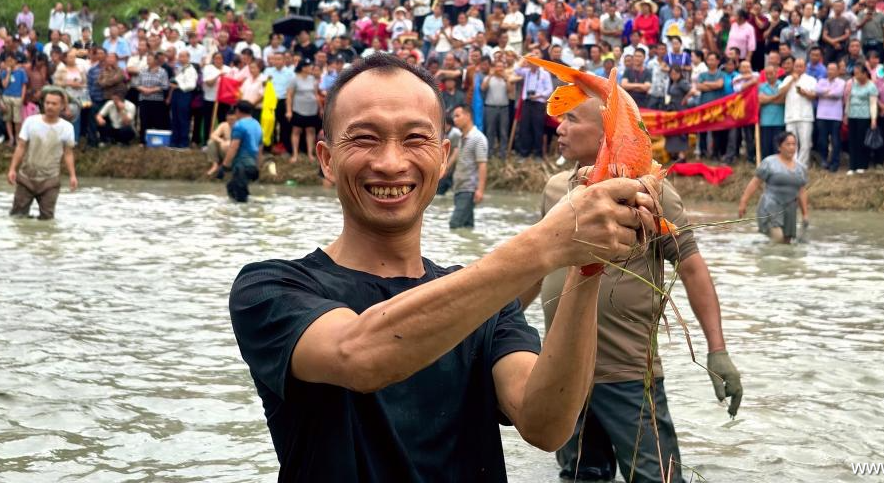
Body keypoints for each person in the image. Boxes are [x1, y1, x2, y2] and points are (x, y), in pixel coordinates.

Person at [230, 53, 660, 480]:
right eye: (364, 139)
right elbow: (360, 356)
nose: (391, 163)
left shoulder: (487, 303)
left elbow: (546, 425)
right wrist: (549, 241)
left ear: (442, 157)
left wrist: (586, 262)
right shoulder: (270, 287)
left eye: (415, 139)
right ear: (327, 159)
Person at [523, 92, 741, 483]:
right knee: (581, 475)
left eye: (572, 119)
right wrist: (492, 326)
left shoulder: (649, 191)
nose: (560, 128)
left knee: (656, 478)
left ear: (606, 134)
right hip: (564, 375)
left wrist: (717, 351)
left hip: (626, 373)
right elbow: (537, 268)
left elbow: (691, 267)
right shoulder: (557, 189)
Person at [6, 86, 78, 220]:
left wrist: (72, 176)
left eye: (54, 104)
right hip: (26, 177)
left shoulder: (67, 128)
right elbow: (21, 146)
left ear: (62, 106)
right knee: (17, 217)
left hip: (50, 180)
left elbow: (68, 153)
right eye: (47, 103)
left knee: (47, 219)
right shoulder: (31, 122)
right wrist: (12, 169)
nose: (50, 106)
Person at [738, 131, 808, 244]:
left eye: (794, 144)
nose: (791, 147)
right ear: (779, 147)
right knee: (778, 238)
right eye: (788, 144)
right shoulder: (769, 163)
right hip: (771, 206)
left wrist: (805, 214)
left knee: (787, 242)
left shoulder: (801, 168)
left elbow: (801, 191)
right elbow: (755, 183)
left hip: (790, 209)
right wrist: (743, 202)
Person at [448, 103, 487, 229]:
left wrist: (480, 190)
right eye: (454, 117)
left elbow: (482, 165)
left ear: (468, 116)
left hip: (469, 189)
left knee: (454, 224)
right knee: (467, 227)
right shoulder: (462, 137)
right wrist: (445, 168)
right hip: (459, 188)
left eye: (457, 116)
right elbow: (458, 155)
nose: (454, 120)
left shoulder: (478, 138)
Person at [220, 101, 262, 202]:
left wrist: (224, 165)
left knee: (240, 199)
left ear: (238, 111)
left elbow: (234, 147)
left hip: (241, 165)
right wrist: (258, 167)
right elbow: (260, 148)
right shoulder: (257, 125)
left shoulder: (239, 125)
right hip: (252, 164)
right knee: (231, 188)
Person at [844, 63, 880, 174]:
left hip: (864, 117)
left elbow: (873, 104)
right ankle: (852, 166)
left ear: (864, 74)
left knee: (862, 141)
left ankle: (862, 164)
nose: (856, 76)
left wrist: (873, 119)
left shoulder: (871, 86)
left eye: (858, 73)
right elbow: (848, 100)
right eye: (855, 73)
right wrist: (846, 114)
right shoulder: (852, 84)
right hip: (852, 115)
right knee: (852, 141)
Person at [285, 58, 321, 164]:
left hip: (312, 109)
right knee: (296, 131)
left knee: (310, 131)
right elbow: (289, 95)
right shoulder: (294, 79)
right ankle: (295, 154)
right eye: (309, 66)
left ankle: (310, 153)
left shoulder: (312, 79)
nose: (311, 68)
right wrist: (289, 111)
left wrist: (320, 108)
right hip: (298, 109)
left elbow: (316, 94)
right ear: (303, 68)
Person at [204, 108, 236, 176]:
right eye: (228, 119)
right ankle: (215, 165)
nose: (230, 121)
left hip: (235, 152)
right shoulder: (224, 125)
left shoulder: (240, 126)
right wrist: (222, 141)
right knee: (211, 142)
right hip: (224, 148)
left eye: (232, 119)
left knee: (228, 145)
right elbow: (213, 135)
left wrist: (229, 143)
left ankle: (227, 165)